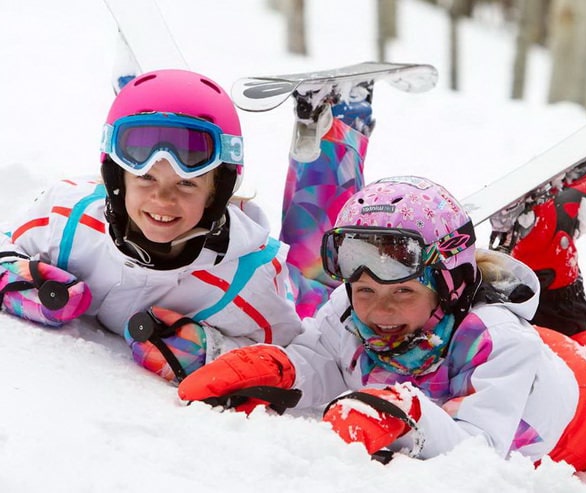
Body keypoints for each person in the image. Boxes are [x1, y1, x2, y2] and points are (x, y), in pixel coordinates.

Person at [176, 173, 586, 472]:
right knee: (565, 333)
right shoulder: (352, 310)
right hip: (546, 355)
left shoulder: (497, 342)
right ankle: (549, 230)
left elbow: (481, 449)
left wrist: (409, 413)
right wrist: (276, 369)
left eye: (402, 292)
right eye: (365, 290)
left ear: (447, 285)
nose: (378, 311)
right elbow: (321, 362)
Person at [0, 68, 370, 384]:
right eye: (145, 178)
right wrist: (22, 284)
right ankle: (149, 93)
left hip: (282, 285)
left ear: (216, 192)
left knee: (316, 273)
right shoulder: (66, 217)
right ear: (117, 178)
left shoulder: (248, 285)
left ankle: (338, 120)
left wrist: (206, 349)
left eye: (186, 184)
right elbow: (6, 246)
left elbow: (292, 356)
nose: (163, 199)